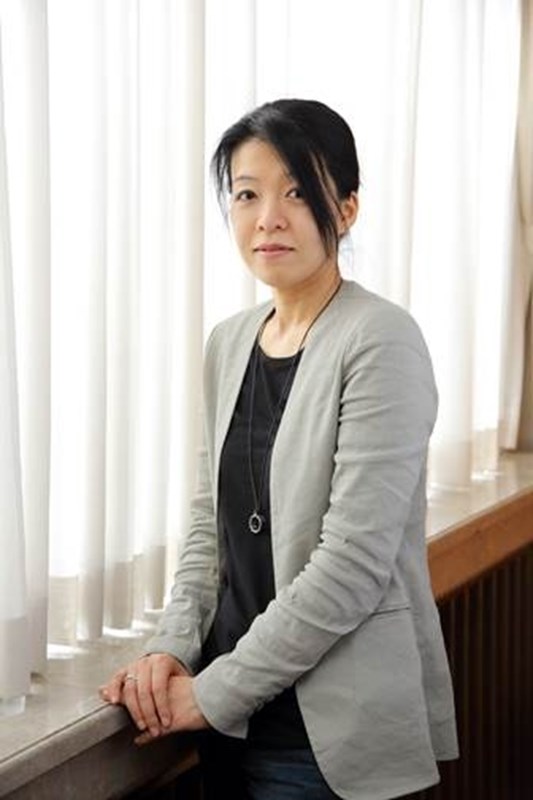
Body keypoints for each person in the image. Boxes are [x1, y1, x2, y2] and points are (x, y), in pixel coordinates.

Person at [100, 99, 458, 799]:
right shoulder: (228, 341)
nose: (268, 217)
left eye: (297, 192)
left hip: (326, 741)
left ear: (345, 209)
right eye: (246, 194)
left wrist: (214, 692)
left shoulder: (381, 340)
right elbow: (208, 525)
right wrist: (172, 645)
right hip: (228, 723)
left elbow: (352, 564)